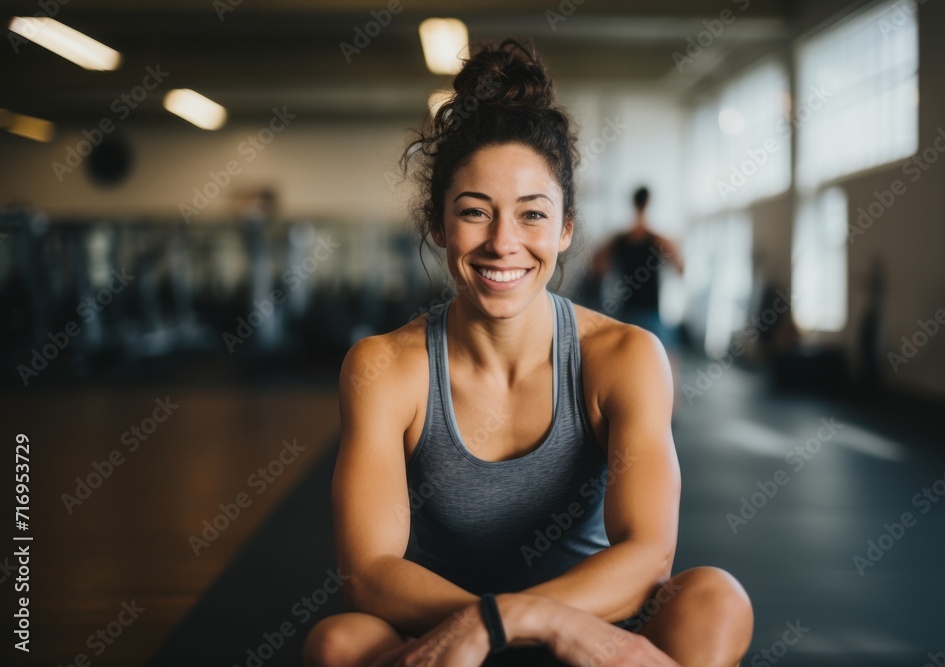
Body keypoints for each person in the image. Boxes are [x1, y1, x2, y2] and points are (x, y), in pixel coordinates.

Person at [303, 39, 752, 667]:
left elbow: (650, 553)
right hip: (445, 637)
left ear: (566, 229)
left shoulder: (623, 356)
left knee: (717, 601)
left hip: (585, 632)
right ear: (438, 224)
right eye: (475, 212)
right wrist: (480, 628)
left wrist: (516, 618)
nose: (503, 242)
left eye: (533, 215)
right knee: (336, 643)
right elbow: (369, 572)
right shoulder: (385, 366)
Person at [589, 187, 685, 351]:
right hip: (649, 311)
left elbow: (597, 269)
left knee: (627, 355)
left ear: (633, 203)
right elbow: (681, 269)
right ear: (648, 204)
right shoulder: (658, 239)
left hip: (627, 309)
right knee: (659, 358)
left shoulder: (619, 239)